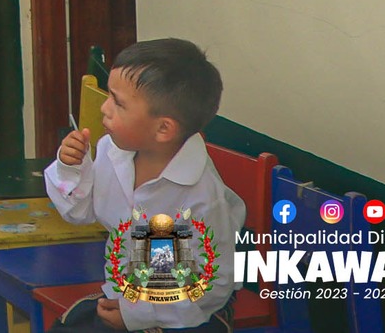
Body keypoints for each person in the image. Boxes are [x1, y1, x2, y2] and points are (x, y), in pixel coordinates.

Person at [46, 40, 241, 330]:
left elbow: (213, 285)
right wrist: (71, 167)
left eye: (118, 102)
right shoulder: (114, 152)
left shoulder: (202, 196)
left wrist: (139, 315)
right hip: (125, 297)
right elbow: (80, 212)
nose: (104, 108)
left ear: (163, 128)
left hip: (187, 314)